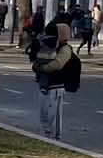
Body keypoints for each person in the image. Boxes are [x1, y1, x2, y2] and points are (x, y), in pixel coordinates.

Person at [29, 10, 79, 139]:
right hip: (45, 85)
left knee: (53, 116)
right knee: (44, 114)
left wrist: (42, 68)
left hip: (56, 87)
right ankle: (46, 136)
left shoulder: (65, 49)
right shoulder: (51, 46)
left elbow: (57, 65)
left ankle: (54, 138)